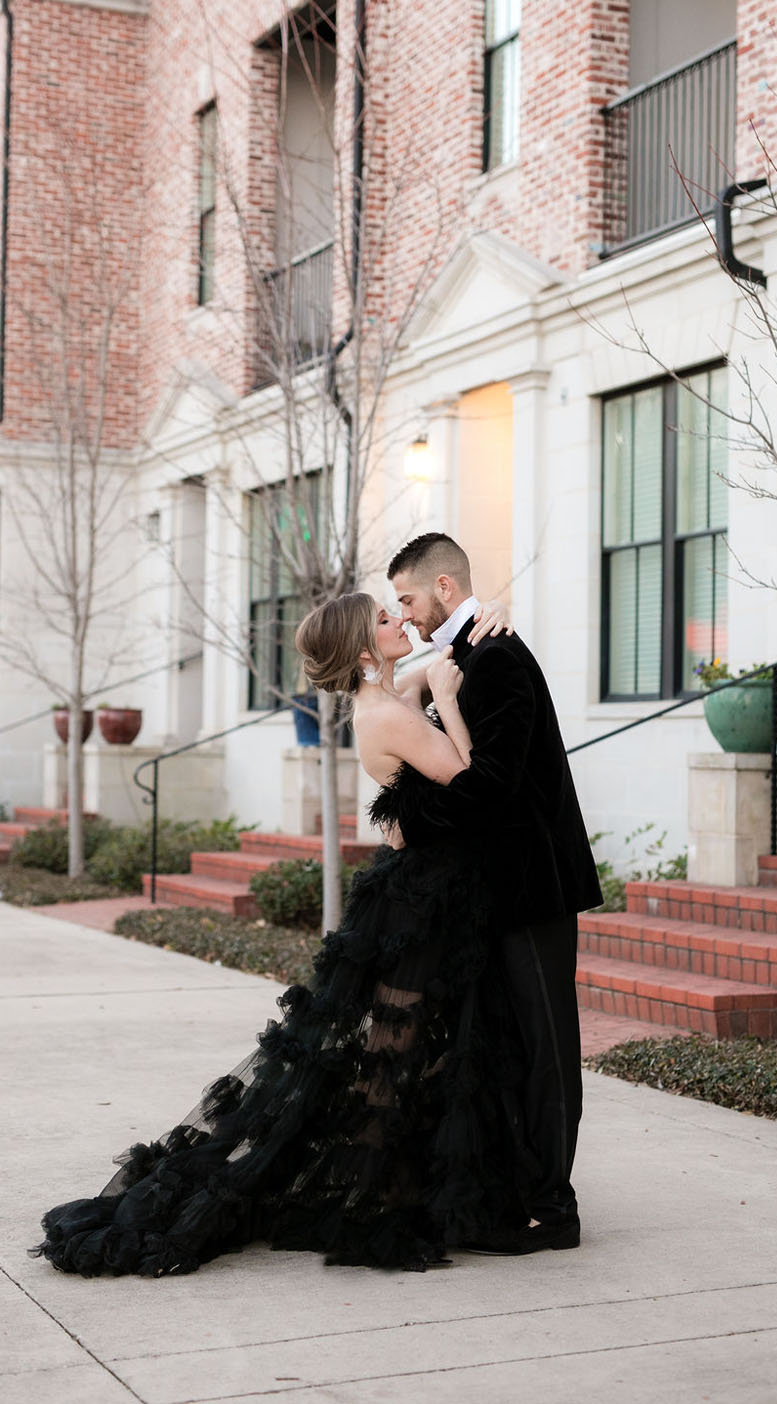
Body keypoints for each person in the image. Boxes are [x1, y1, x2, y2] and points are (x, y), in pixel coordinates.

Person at [33, 591, 535, 1277]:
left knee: (409, 1045)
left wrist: (485, 617)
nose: (401, 623)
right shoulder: (389, 711)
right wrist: (448, 701)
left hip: (419, 892)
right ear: (362, 651)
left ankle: (395, 1179)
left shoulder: (386, 690)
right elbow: (471, 780)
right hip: (418, 903)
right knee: (396, 1047)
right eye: (387, 621)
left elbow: (440, 656)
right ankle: (375, 1193)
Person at [388, 532, 603, 1254]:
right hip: (496, 893)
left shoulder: (499, 656)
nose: (406, 615)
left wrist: (406, 820)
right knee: (509, 1043)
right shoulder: (464, 653)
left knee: (546, 1046)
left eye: (409, 600)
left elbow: (492, 789)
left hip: (532, 888)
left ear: (445, 589)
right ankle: (521, 1187)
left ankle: (554, 1207)